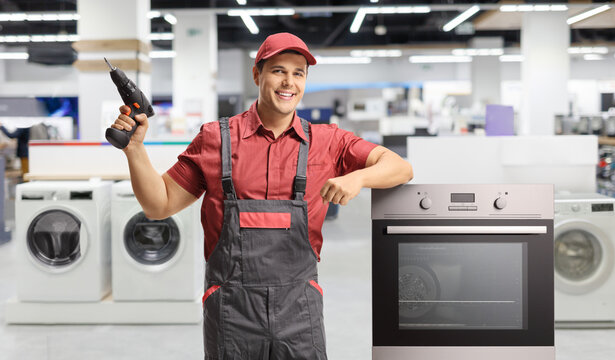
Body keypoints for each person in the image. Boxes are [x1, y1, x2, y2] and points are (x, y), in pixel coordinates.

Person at [110, 32, 413, 359]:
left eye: (299, 73)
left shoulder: (329, 142)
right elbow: (159, 205)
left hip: (299, 309)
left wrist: (358, 177)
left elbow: (399, 167)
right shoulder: (216, 138)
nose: (289, 82)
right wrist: (135, 149)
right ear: (257, 74)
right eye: (278, 70)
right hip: (232, 311)